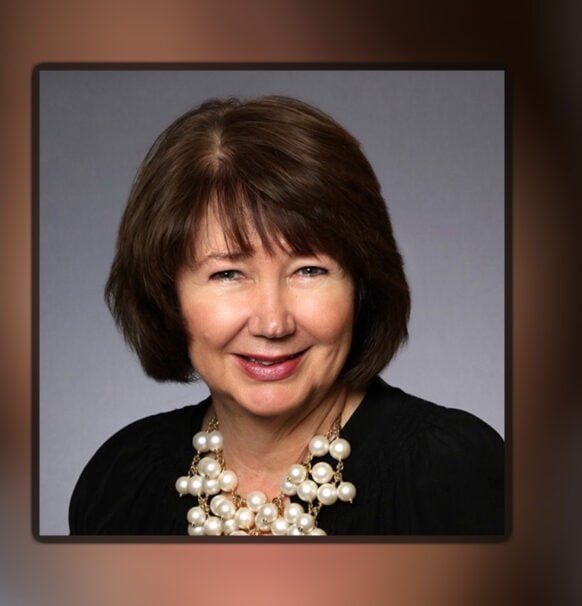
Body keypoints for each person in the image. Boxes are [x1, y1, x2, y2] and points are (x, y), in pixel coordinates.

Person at [69, 95, 504, 536]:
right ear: (168, 293)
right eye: (228, 274)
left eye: (309, 270)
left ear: (361, 284)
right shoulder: (120, 482)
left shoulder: (451, 473)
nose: (273, 323)